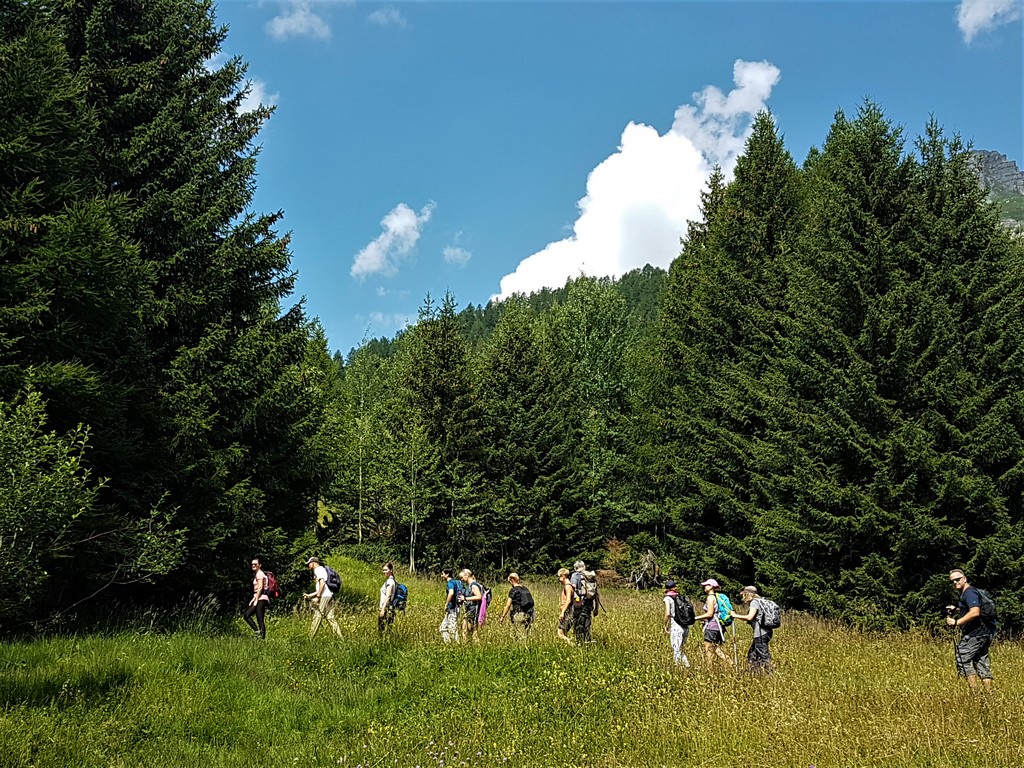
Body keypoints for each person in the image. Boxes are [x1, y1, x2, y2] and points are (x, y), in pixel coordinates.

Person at [946, 569, 995, 692]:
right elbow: (971, 609)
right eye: (952, 581)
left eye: (957, 579)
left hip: (975, 634)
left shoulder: (969, 593)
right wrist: (957, 609)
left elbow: (975, 612)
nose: (955, 582)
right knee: (981, 663)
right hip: (984, 633)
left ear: (965, 579)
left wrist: (956, 622)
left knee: (962, 659)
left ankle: (974, 694)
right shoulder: (970, 593)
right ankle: (989, 695)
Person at [693, 578, 735, 670]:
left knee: (708, 649)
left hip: (712, 627)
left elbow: (710, 614)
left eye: (706, 585)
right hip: (719, 626)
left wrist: (695, 618)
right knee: (716, 648)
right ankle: (730, 662)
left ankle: (709, 669)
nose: (704, 587)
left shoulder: (710, 598)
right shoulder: (717, 597)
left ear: (712, 586)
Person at [731, 585, 772, 674]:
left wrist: (735, 615)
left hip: (760, 632)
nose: (742, 597)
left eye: (744, 594)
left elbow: (750, 617)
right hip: (766, 631)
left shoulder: (754, 602)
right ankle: (754, 673)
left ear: (748, 594)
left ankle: (770, 674)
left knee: (763, 655)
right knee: (752, 654)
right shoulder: (761, 600)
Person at [303, 556, 342, 638]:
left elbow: (322, 584)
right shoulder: (322, 569)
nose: (308, 566)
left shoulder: (318, 570)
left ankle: (310, 637)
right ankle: (340, 638)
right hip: (329, 595)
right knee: (330, 617)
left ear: (313, 563)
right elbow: (322, 588)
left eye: (309, 564)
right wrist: (309, 595)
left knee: (318, 615)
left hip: (324, 597)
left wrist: (318, 597)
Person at [569, 560, 602, 643]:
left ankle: (579, 641)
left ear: (575, 568)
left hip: (579, 602)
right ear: (584, 567)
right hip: (589, 603)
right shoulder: (590, 576)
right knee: (587, 621)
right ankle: (587, 640)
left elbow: (573, 588)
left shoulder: (575, 575)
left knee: (578, 621)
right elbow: (596, 593)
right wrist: (596, 608)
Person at [662, 580, 691, 668]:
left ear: (666, 588)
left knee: (676, 650)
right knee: (681, 650)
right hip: (685, 627)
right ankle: (687, 667)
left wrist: (665, 625)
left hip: (676, 627)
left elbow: (667, 613)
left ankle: (678, 668)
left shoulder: (667, 598)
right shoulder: (681, 597)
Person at [499, 573, 535, 638]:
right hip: (530, 614)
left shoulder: (513, 590)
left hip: (519, 615)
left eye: (509, 581)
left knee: (520, 637)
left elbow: (508, 605)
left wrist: (502, 617)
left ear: (512, 580)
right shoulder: (525, 588)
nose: (510, 583)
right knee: (526, 635)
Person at [242, 557, 270, 639]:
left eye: (255, 564)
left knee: (258, 617)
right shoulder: (258, 574)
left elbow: (260, 587)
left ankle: (261, 637)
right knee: (248, 615)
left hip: (262, 598)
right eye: (252, 564)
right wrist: (254, 599)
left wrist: (256, 599)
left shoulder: (259, 574)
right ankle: (258, 632)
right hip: (259, 597)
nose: (253, 566)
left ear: (259, 565)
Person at [459, 569, 484, 643]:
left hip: (473, 611)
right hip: (471, 610)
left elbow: (479, 596)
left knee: (470, 631)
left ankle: (467, 646)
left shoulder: (473, 585)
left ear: (467, 575)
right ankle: (469, 645)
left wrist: (465, 598)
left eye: (462, 577)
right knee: (469, 631)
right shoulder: (472, 585)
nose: (461, 579)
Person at [439, 567, 461, 643]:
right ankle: (448, 644)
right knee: (443, 628)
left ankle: (457, 644)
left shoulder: (450, 583)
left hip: (453, 608)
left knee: (452, 628)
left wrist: (446, 604)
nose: (441, 575)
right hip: (453, 608)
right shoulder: (455, 582)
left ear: (447, 574)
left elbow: (451, 593)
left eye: (442, 574)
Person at [556, 567, 575, 645]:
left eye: (559, 577)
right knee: (564, 632)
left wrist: (562, 612)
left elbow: (568, 600)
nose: (559, 579)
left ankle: (573, 645)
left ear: (563, 576)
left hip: (568, 612)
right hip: (569, 611)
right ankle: (569, 645)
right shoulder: (570, 586)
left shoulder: (568, 586)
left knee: (560, 633)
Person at [379, 562, 397, 633]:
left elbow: (388, 596)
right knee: (388, 628)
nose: (384, 572)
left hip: (386, 608)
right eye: (383, 570)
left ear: (391, 570)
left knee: (381, 629)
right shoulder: (393, 581)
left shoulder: (390, 582)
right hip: (390, 608)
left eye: (386, 570)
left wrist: (383, 609)